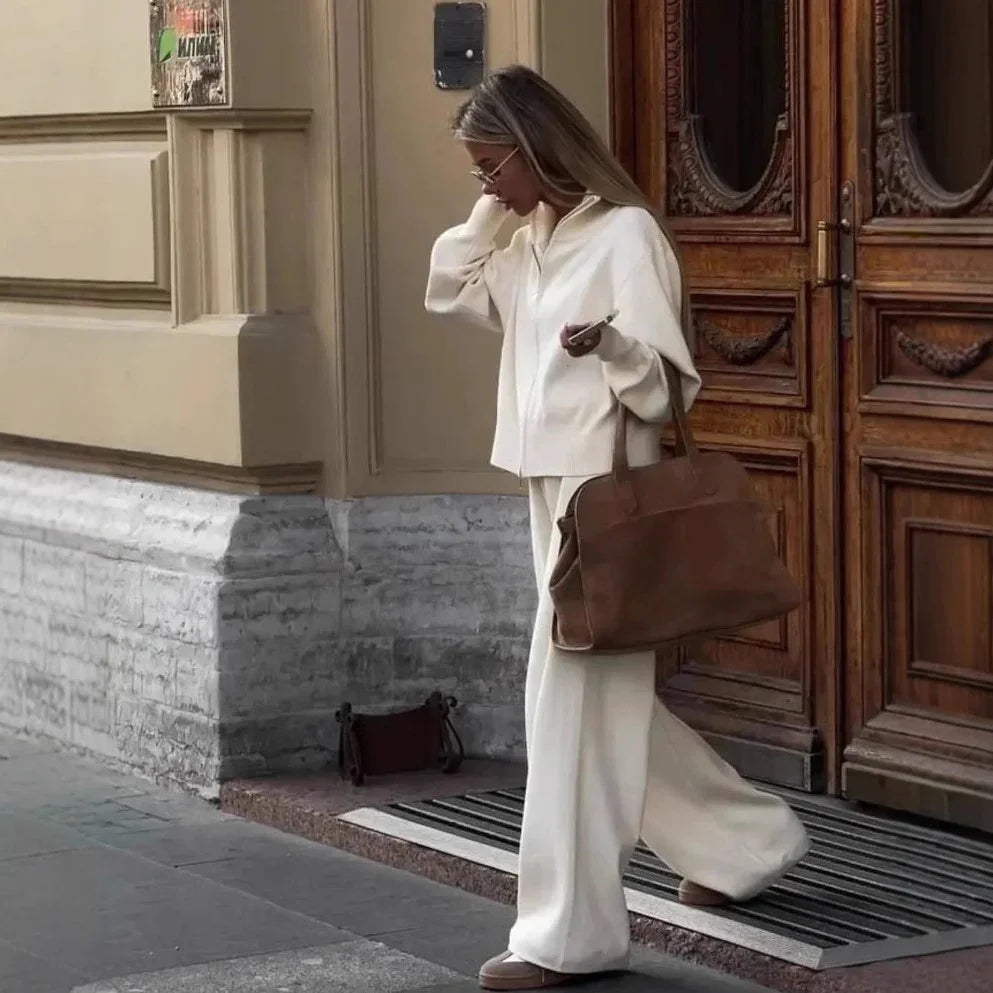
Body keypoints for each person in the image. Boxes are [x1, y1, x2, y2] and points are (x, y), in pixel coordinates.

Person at [425, 65, 810, 992]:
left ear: (537, 150)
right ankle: (745, 845)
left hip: (605, 499)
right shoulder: (527, 243)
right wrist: (489, 213)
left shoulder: (625, 236)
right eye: (477, 171)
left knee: (565, 710)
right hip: (544, 489)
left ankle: (569, 936)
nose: (486, 185)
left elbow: (672, 386)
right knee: (597, 704)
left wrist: (614, 346)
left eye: (492, 167)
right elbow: (447, 287)